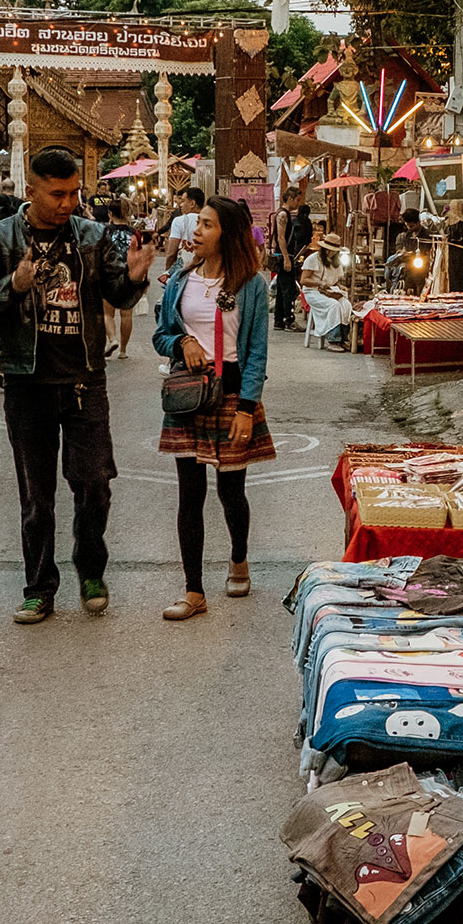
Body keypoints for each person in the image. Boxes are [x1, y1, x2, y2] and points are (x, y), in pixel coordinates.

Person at [0, 146, 153, 625]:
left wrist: (134, 277)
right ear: (31, 191)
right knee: (37, 496)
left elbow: (116, 290)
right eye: (58, 194)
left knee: (94, 483)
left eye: (74, 192)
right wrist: (15, 283)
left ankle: (91, 569)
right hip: (28, 382)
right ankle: (38, 587)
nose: (69, 202)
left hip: (84, 378)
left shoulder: (92, 236)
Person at [153, 193, 273, 623]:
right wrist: (180, 342)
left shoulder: (251, 285)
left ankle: (239, 558)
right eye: (196, 223)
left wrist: (247, 407)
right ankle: (193, 590)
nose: (196, 231)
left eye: (206, 225)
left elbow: (256, 351)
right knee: (190, 494)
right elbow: (161, 335)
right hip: (188, 394)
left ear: (226, 235)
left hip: (232, 393)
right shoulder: (181, 280)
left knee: (230, 491)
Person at [101, 197, 141, 358]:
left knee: (107, 313)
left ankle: (112, 339)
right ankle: (123, 350)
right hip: (128, 276)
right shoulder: (134, 233)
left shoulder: (104, 231)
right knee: (126, 314)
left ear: (110, 213)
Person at [300, 231, 354, 349]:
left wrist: (340, 286)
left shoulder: (335, 261)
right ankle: (333, 340)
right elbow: (304, 280)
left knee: (346, 305)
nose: (331, 252)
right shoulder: (313, 259)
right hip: (312, 292)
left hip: (329, 290)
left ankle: (344, 338)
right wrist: (319, 283)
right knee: (334, 306)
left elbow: (334, 279)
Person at [273, 188, 313, 330]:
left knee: (282, 288)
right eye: (296, 200)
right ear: (290, 198)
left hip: (285, 254)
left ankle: (279, 320)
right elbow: (281, 237)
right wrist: (286, 258)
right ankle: (288, 320)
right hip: (285, 255)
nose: (297, 203)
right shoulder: (283, 215)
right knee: (288, 288)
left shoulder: (285, 214)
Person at [160, 186, 205, 284]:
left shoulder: (179, 221)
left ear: (192, 203)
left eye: (183, 201)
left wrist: (168, 273)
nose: (180, 204)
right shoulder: (209, 221)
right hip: (203, 273)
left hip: (183, 274)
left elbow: (171, 253)